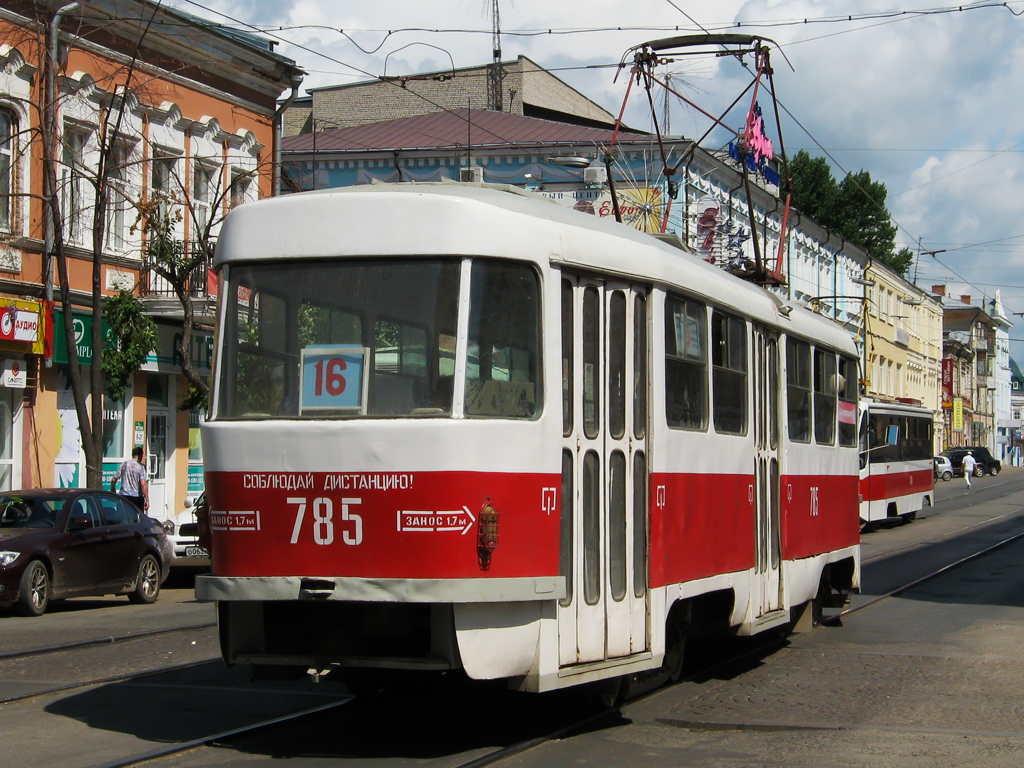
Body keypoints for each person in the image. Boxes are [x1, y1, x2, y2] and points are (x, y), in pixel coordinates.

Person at [111, 446, 149, 510]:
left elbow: (114, 479)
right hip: (136, 498)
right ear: (140, 455)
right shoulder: (141, 467)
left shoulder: (124, 464)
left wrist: (112, 489)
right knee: (136, 516)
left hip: (123, 496)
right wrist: (147, 499)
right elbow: (143, 484)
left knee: (123, 515)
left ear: (132, 455)